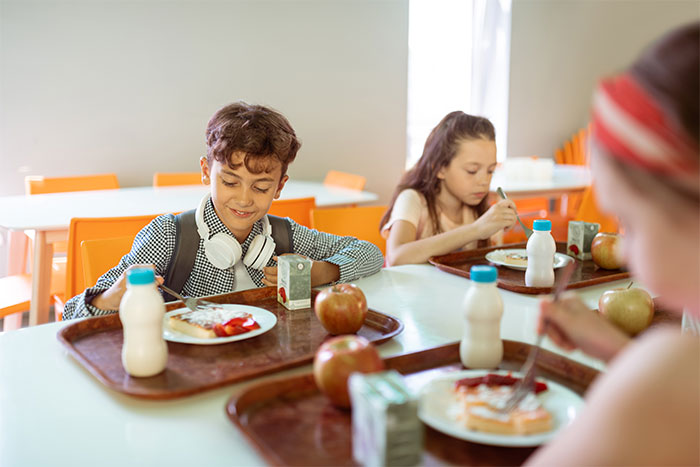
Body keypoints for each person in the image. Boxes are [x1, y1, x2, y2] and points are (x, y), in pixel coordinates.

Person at [527, 23, 699, 466]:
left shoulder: (670, 374)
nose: (622, 250)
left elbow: (671, 395)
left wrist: (643, 373)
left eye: (630, 222)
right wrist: (616, 349)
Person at [63, 102, 384, 319]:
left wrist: (324, 271)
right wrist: (107, 301)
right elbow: (69, 314)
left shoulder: (283, 235)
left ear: (280, 186)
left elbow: (370, 253)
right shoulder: (168, 236)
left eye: (260, 187)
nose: (244, 199)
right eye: (230, 181)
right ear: (206, 171)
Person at [379, 111, 517, 266]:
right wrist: (476, 229)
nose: (484, 181)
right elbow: (396, 257)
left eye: (490, 171)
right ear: (440, 168)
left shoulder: (479, 209)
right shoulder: (413, 199)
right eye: (472, 171)